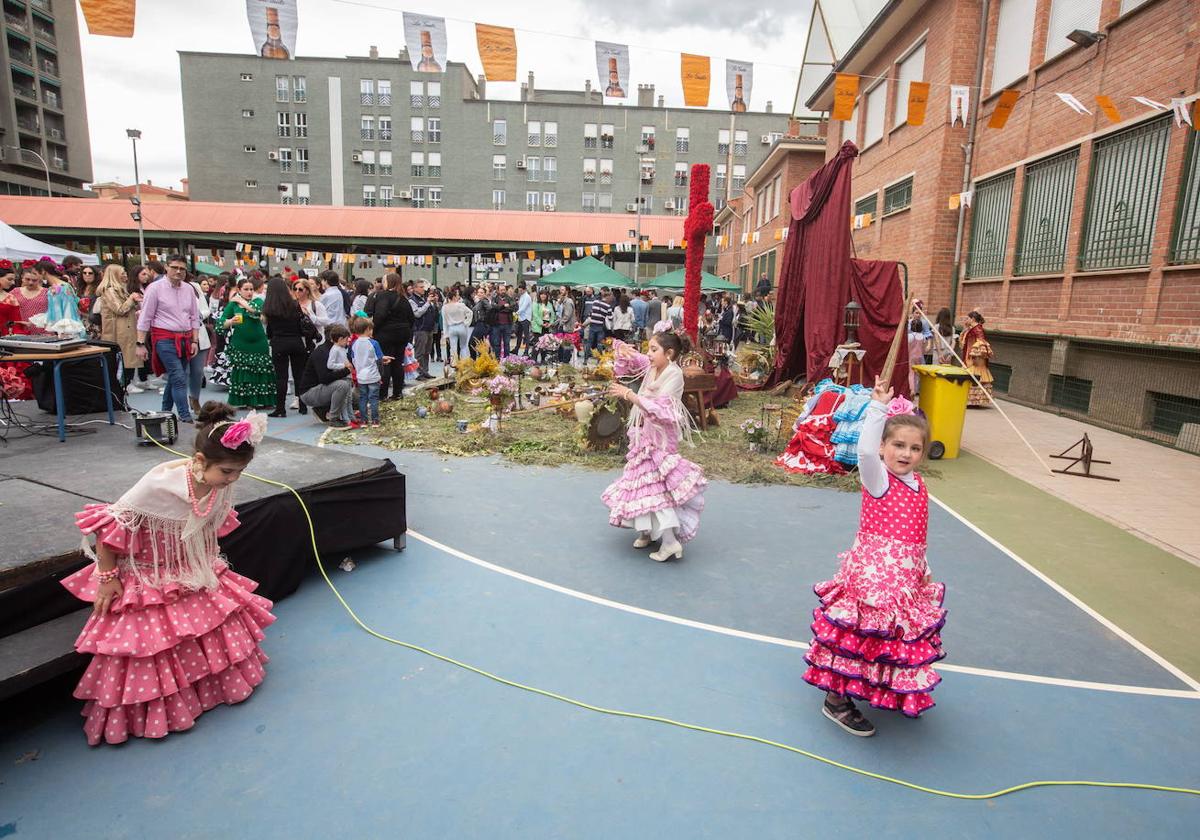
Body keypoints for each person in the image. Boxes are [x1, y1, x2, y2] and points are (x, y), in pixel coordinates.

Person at [62, 402, 275, 745]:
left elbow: (209, 521)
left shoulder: (217, 484)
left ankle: (203, 691)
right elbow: (109, 530)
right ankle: (152, 712)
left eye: (239, 472)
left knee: (205, 624)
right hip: (149, 575)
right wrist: (107, 578)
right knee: (149, 646)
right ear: (201, 462)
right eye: (227, 472)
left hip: (188, 570)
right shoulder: (157, 486)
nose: (232, 480)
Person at [801, 376, 945, 736]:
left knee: (892, 639)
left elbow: (916, 532)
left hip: (905, 579)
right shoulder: (878, 479)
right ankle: (836, 700)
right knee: (860, 637)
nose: (905, 454)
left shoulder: (919, 484)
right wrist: (878, 407)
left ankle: (883, 688)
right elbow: (864, 451)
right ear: (883, 448)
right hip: (873, 578)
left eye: (914, 448)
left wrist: (922, 566)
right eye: (898, 445)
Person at [601, 328, 707, 562]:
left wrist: (630, 395)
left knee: (656, 490)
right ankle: (646, 532)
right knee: (639, 484)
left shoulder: (674, 375)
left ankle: (669, 542)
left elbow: (662, 411)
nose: (648, 354)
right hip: (643, 436)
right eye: (648, 348)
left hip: (660, 440)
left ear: (669, 354)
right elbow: (633, 360)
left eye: (653, 349)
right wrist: (623, 349)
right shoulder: (653, 366)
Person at [136, 255, 201, 422]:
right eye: (175, 267)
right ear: (166, 267)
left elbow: (194, 317)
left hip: (186, 338)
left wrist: (195, 341)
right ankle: (185, 417)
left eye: (182, 269)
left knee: (175, 377)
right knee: (179, 376)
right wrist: (140, 343)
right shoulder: (154, 288)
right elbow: (145, 317)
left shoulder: (188, 289)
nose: (178, 271)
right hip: (164, 338)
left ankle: (165, 412)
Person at [216, 278, 274, 409]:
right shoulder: (233, 305)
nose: (249, 292)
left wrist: (240, 301)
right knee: (243, 372)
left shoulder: (258, 301)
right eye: (246, 289)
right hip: (240, 343)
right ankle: (247, 401)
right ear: (239, 290)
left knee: (262, 370)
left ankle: (264, 400)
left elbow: (257, 311)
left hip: (259, 342)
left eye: (251, 289)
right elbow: (220, 323)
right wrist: (230, 322)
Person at [262, 276, 310, 417]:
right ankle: (303, 405)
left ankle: (280, 408)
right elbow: (301, 324)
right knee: (299, 375)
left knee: (281, 377)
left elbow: (269, 330)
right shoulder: (295, 305)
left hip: (279, 342)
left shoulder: (269, 308)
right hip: (296, 341)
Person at [96, 264, 143, 391]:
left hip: (126, 328)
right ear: (114, 274)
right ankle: (125, 385)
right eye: (122, 272)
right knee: (124, 357)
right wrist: (131, 299)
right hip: (118, 330)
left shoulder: (120, 289)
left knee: (129, 356)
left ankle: (128, 383)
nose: (125, 275)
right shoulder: (109, 290)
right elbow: (119, 309)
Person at [299, 324, 354, 427]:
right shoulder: (322, 352)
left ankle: (323, 409)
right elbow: (324, 378)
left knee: (355, 398)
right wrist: (347, 370)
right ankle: (334, 417)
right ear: (335, 338)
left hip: (321, 388)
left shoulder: (337, 349)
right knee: (342, 386)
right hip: (309, 392)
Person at [369, 273, 413, 399]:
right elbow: (411, 318)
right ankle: (397, 392)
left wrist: (374, 329)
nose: (382, 283)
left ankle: (383, 394)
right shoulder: (403, 298)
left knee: (386, 362)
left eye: (383, 280)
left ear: (388, 282)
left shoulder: (382, 296)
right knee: (398, 363)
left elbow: (380, 315)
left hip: (385, 333)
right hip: (402, 333)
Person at [351, 316, 392, 427]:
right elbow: (379, 359)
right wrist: (382, 369)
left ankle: (364, 420)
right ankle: (375, 420)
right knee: (373, 398)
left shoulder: (354, 344)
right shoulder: (373, 343)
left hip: (361, 375)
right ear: (368, 329)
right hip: (373, 375)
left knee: (363, 397)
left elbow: (353, 359)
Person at [959, 311, 993, 407]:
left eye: (968, 318)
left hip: (975, 358)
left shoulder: (977, 329)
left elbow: (981, 341)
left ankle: (974, 401)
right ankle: (972, 400)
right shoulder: (973, 328)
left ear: (972, 319)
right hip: (970, 355)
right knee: (971, 374)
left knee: (974, 374)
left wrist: (975, 354)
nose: (967, 320)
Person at [408, 280, 435, 380]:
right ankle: (419, 372)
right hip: (420, 329)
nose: (423, 289)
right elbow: (417, 313)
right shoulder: (412, 300)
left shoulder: (424, 299)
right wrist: (428, 303)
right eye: (420, 287)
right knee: (420, 352)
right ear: (414, 288)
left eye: (423, 287)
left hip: (429, 329)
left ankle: (425, 371)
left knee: (427, 352)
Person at [13, 263, 48, 334]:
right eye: (27, 279)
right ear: (22, 277)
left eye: (34, 280)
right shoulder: (15, 292)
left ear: (40, 278)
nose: (30, 282)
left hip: (44, 332)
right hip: (21, 332)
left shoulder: (47, 292)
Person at [442, 288, 472, 368]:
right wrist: (466, 323)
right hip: (461, 326)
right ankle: (465, 363)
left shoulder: (444, 307)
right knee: (463, 346)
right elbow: (470, 312)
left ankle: (454, 364)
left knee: (453, 348)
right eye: (457, 295)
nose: (459, 297)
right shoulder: (461, 305)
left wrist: (446, 334)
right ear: (454, 297)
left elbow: (444, 322)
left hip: (451, 328)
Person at [584, 289, 612, 360]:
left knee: (589, 342)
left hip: (592, 324)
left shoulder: (595, 302)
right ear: (608, 297)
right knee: (599, 343)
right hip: (600, 326)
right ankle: (599, 359)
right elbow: (610, 318)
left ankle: (585, 359)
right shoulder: (608, 306)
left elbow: (590, 313)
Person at [489, 285, 514, 359]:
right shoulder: (494, 298)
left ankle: (507, 359)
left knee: (507, 343)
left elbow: (513, 307)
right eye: (501, 290)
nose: (503, 291)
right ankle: (497, 359)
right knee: (497, 343)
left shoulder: (509, 298)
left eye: (504, 290)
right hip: (497, 324)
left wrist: (500, 308)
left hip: (507, 324)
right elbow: (493, 307)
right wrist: (504, 307)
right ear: (498, 291)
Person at [907, 318, 927, 396]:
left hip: (911, 356)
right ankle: (916, 389)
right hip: (919, 357)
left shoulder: (910, 336)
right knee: (917, 374)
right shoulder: (923, 337)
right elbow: (924, 348)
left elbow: (907, 347)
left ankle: (911, 389)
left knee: (911, 373)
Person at [514, 283, 533, 355]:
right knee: (519, 335)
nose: (520, 292)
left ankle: (526, 351)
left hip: (526, 318)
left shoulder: (527, 297)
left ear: (525, 289)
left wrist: (516, 313)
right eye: (519, 291)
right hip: (520, 318)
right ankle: (516, 349)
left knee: (526, 336)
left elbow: (523, 307)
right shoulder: (522, 296)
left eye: (521, 290)